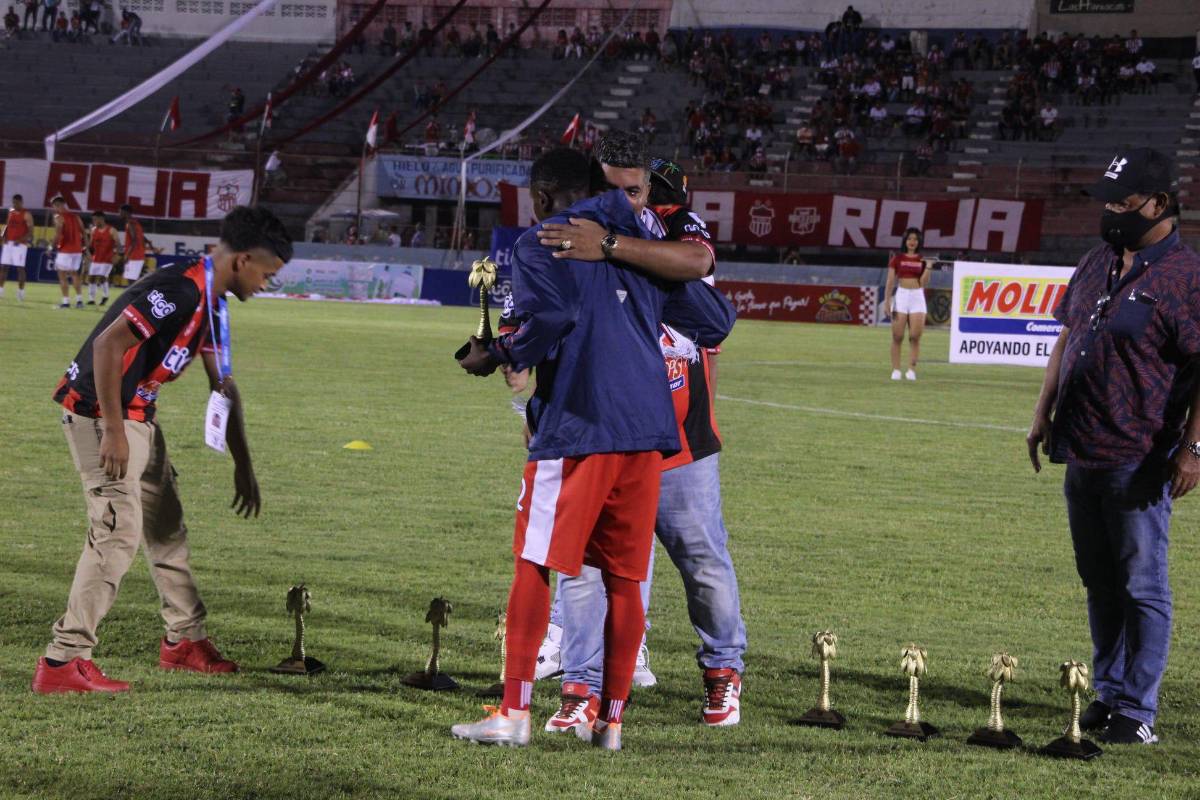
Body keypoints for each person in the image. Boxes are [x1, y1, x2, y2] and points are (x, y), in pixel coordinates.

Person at [451, 144, 735, 751]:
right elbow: (715, 321)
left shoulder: (542, 242)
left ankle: (514, 712)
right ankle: (611, 722)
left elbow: (551, 316)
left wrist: (498, 354)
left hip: (580, 427)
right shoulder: (644, 251)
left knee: (537, 563)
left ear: (543, 198)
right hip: (649, 437)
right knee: (626, 578)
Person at [31, 206, 292, 694]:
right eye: (268, 274)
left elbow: (224, 389)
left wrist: (244, 464)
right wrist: (111, 428)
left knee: (166, 526)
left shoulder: (213, 305)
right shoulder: (181, 289)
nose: (266, 284)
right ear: (245, 259)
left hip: (138, 418)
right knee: (116, 530)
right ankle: (63, 660)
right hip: (100, 413)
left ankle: (184, 641)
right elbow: (108, 347)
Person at [534, 157, 747, 731]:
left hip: (679, 443)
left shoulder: (669, 243)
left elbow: (712, 318)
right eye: (615, 192)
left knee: (702, 562)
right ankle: (583, 687)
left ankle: (723, 674)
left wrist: (702, 423)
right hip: (605, 440)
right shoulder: (572, 250)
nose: (632, 203)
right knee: (587, 571)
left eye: (638, 192)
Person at [1026, 148, 1200, 745]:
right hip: (1081, 448)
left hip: (1141, 456)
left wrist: (1193, 451)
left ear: (1161, 204)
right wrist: (1041, 412)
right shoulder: (1097, 259)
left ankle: (1139, 709)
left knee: (1142, 585)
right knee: (1099, 581)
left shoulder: (1186, 277)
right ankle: (1108, 690)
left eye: (1124, 204)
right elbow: (1068, 335)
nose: (1111, 212)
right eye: (1108, 201)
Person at [884, 227, 930, 380]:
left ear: (919, 242)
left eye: (915, 239)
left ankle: (911, 370)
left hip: (917, 296)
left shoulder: (922, 259)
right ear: (905, 240)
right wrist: (886, 302)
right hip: (901, 296)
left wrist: (929, 266)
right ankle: (896, 370)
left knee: (915, 336)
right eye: (910, 239)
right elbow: (890, 281)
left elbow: (923, 282)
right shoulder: (897, 259)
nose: (912, 242)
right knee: (897, 335)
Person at [51, 196, 85, 309]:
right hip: (77, 250)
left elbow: (58, 233)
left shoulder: (58, 217)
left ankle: (66, 302)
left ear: (58, 205)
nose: (54, 209)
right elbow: (83, 232)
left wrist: (52, 246)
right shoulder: (76, 216)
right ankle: (79, 301)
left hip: (65, 250)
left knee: (62, 276)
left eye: (55, 206)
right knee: (75, 274)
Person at [1, 193, 33, 301]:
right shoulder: (11, 212)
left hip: (20, 245)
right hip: (8, 243)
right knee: (4, 267)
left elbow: (30, 231)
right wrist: (3, 235)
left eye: (17, 203)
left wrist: (21, 240)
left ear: (21, 202)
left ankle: (21, 292)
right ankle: (0, 290)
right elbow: (7, 225)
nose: (15, 204)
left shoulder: (26, 214)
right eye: (13, 202)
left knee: (20, 268)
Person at [118, 204, 156, 286]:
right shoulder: (136, 223)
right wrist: (151, 247)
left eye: (120, 212)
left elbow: (134, 240)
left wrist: (127, 255)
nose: (119, 214)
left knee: (131, 281)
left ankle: (136, 297)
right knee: (133, 279)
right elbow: (142, 237)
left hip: (133, 256)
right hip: (139, 255)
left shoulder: (130, 224)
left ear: (126, 212)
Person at [85, 211, 116, 306]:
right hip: (96, 259)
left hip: (107, 259)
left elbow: (118, 245)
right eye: (93, 220)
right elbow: (91, 245)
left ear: (101, 219)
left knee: (102, 278)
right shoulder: (93, 230)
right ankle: (91, 299)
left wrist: (117, 256)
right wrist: (87, 252)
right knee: (91, 278)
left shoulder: (111, 230)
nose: (94, 221)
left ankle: (105, 296)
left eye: (95, 219)